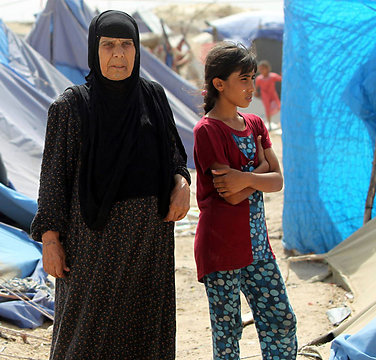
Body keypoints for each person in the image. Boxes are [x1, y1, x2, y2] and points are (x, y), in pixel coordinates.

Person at [31, 10, 191, 359]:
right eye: (108, 45)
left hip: (151, 241)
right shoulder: (71, 107)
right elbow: (53, 179)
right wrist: (50, 240)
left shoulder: (153, 96)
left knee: (146, 331)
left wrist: (182, 183)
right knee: (86, 334)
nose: (118, 54)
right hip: (93, 244)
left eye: (126, 45)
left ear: (136, 51)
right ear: (94, 49)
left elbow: (176, 157)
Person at [193, 43, 297, 360]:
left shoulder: (255, 124)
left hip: (258, 247)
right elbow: (230, 192)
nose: (251, 87)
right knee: (228, 335)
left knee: (280, 319)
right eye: (244, 79)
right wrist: (259, 172)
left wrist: (248, 177)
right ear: (219, 84)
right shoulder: (208, 131)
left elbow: (277, 181)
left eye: (253, 78)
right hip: (221, 248)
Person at [254, 60, 282, 130]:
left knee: (279, 107)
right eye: (260, 69)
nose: (262, 70)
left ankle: (281, 122)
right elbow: (256, 88)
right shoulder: (259, 79)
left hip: (273, 95)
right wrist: (256, 93)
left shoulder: (272, 76)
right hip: (265, 96)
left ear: (267, 68)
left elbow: (281, 79)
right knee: (267, 110)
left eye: (263, 68)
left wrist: (282, 75)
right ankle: (269, 125)